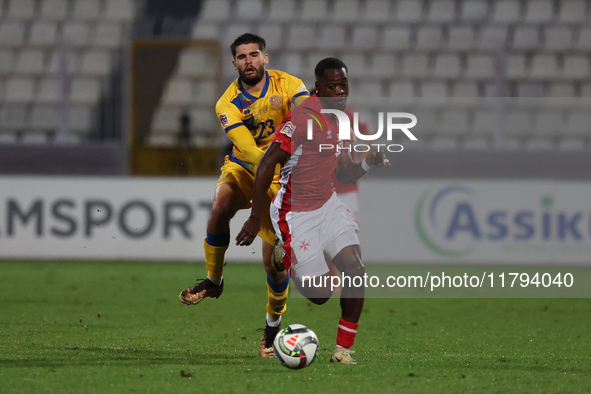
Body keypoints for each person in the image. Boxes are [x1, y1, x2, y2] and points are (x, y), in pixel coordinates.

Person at [236, 58, 390, 364]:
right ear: (317, 87)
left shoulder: (343, 120)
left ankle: (342, 350)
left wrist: (366, 164)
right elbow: (267, 163)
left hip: (328, 203)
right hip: (295, 212)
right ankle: (283, 256)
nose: (339, 90)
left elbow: (344, 172)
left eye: (343, 84)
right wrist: (255, 216)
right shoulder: (303, 117)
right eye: (332, 85)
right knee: (321, 295)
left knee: (356, 270)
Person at [178, 33, 310, 358]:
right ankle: (213, 280)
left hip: (282, 172)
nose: (248, 61)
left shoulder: (288, 84)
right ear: (234, 63)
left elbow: (307, 109)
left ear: (265, 57)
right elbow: (250, 150)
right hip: (247, 166)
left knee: (274, 265)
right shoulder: (227, 103)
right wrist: (275, 170)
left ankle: (272, 327)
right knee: (220, 206)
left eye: (254, 54)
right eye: (241, 56)